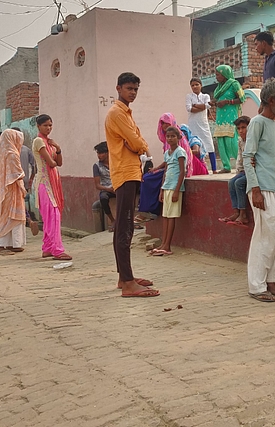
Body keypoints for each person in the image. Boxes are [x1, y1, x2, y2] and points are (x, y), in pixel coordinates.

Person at [104, 72, 159, 297]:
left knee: (123, 226)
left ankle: (124, 277)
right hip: (125, 173)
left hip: (129, 172)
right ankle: (127, 283)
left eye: (135, 89)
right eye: (129, 88)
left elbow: (135, 141)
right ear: (118, 88)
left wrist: (137, 144)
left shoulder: (125, 112)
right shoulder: (117, 113)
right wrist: (141, 146)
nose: (133, 92)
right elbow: (137, 142)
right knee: (124, 227)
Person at [243, 79, 275, 302]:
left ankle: (271, 282)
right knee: (265, 236)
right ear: (272, 100)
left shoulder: (274, 124)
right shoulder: (257, 122)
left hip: (274, 186)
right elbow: (248, 156)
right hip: (262, 187)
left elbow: (271, 154)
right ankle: (256, 286)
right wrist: (255, 189)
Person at [32, 115, 72, 260]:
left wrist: (58, 148)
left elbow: (59, 162)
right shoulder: (38, 141)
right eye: (45, 126)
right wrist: (54, 153)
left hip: (53, 180)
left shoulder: (49, 143)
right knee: (52, 215)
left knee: (52, 215)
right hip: (45, 182)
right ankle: (57, 249)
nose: (48, 128)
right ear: (38, 126)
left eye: (50, 125)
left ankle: (47, 248)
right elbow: (51, 163)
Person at [150, 126, 186, 256]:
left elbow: (182, 172)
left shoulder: (180, 152)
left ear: (179, 138)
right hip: (166, 187)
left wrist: (177, 190)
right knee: (165, 216)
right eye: (168, 137)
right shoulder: (167, 153)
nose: (170, 139)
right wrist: (161, 189)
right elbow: (165, 170)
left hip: (174, 187)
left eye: (173, 136)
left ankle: (168, 246)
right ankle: (163, 243)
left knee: (171, 217)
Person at [0, 129, 27, 255]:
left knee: (10, 216)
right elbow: (17, 174)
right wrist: (23, 186)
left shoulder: (2, 153)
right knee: (10, 216)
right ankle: (1, 246)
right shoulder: (12, 154)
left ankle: (14, 244)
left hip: (5, 189)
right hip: (11, 190)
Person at [211, 65, 245, 173]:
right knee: (221, 141)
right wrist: (214, 103)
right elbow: (218, 98)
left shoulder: (234, 84)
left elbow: (242, 98)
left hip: (231, 115)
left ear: (224, 74)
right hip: (220, 117)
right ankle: (226, 166)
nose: (216, 77)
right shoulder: (219, 87)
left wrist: (227, 102)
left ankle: (241, 164)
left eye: (218, 74)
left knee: (232, 141)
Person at [219, 115, 250, 227]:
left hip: (255, 171)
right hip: (245, 170)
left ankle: (243, 214)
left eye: (243, 127)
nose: (241, 131)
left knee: (239, 183)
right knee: (231, 182)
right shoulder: (241, 141)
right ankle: (236, 212)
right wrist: (239, 172)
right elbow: (240, 158)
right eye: (239, 128)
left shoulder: (252, 140)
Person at [186, 77, 217, 173]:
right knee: (195, 145)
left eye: (197, 84)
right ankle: (195, 169)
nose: (195, 87)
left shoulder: (205, 96)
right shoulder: (189, 96)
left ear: (201, 85)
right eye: (193, 85)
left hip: (204, 124)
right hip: (193, 124)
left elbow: (207, 106)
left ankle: (214, 169)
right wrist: (201, 106)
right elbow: (189, 109)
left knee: (209, 145)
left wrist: (195, 105)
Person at [157, 113, 194, 177]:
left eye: (167, 123)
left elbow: (176, 163)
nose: (164, 125)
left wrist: (157, 168)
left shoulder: (178, 138)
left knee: (148, 179)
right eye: (163, 123)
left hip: (178, 170)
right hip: (171, 169)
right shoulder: (168, 139)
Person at [93, 141, 116, 231]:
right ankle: (112, 220)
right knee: (103, 198)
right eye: (98, 153)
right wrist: (109, 189)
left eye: (101, 153)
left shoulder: (116, 162)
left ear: (107, 153)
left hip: (118, 186)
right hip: (106, 188)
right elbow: (97, 185)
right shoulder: (96, 166)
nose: (99, 155)